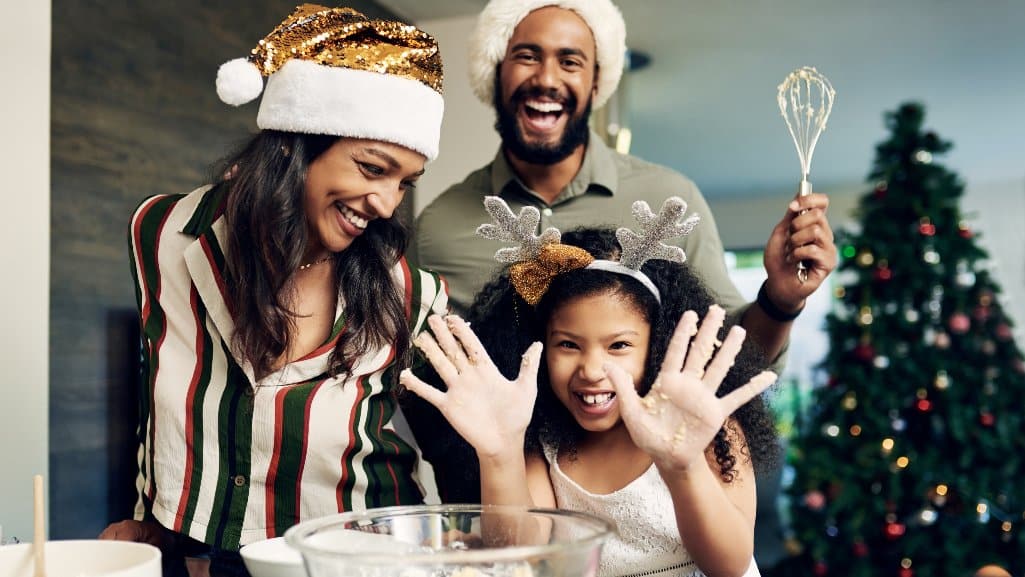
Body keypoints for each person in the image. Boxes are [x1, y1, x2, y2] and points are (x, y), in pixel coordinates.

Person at [98, 5, 447, 576]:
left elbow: (461, 459)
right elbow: (159, 385)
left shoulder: (410, 294)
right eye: (371, 168)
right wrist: (151, 519)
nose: (387, 204)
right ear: (296, 143)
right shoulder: (159, 236)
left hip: (350, 564)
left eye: (404, 183)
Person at [411, 0, 837, 367]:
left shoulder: (671, 202)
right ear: (496, 72)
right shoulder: (438, 228)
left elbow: (729, 359)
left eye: (570, 61)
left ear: (596, 82)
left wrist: (780, 301)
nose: (546, 78)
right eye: (526, 56)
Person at [402, 196, 779, 576]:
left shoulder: (705, 432)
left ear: (657, 348)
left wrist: (681, 467)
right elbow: (517, 554)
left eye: (619, 346)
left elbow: (730, 566)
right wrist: (500, 455)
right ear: (539, 346)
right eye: (567, 344)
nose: (592, 370)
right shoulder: (545, 442)